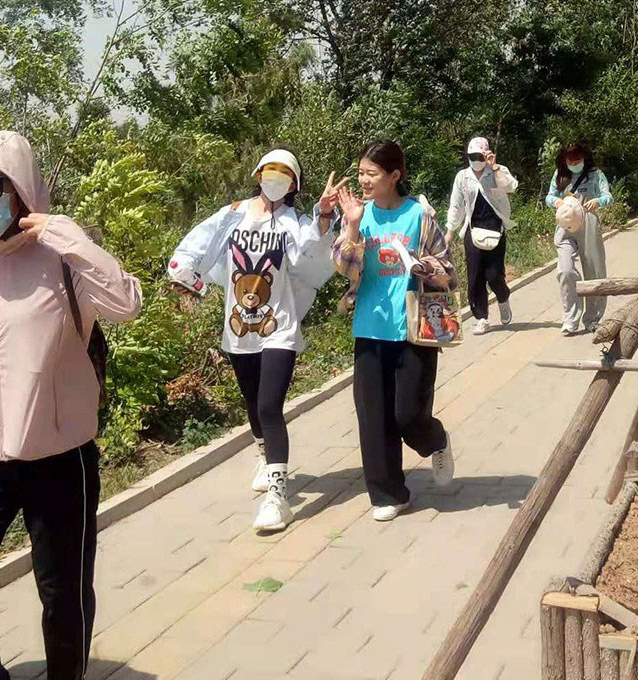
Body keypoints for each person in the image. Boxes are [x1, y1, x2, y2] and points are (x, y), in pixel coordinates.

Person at [0, 131, 142, 680]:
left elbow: (127, 303)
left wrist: (67, 235)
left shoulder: (61, 258)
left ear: (22, 190)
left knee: (62, 592)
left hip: (59, 458)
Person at [168, 148, 345, 533]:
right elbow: (194, 248)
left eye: (286, 174)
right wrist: (187, 274)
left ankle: (278, 497)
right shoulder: (231, 215)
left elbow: (310, 258)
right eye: (270, 170)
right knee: (253, 404)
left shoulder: (294, 223)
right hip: (239, 331)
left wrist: (323, 215)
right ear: (257, 175)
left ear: (294, 185)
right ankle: (265, 454)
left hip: (279, 327)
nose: (276, 178)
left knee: (269, 406)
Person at [333, 140, 456, 522]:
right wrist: (353, 225)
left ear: (394, 176)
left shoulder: (419, 215)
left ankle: (435, 439)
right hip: (370, 330)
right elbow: (343, 266)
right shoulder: (358, 216)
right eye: (360, 173)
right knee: (374, 418)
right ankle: (389, 493)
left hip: (414, 330)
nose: (363, 180)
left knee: (408, 415)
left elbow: (449, 270)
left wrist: (425, 266)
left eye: (371, 173)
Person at [445, 137, 518, 335]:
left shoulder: (497, 171)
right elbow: (456, 204)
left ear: (487, 155)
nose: (476, 160)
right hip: (473, 229)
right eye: (472, 156)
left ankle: (503, 297)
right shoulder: (463, 177)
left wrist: (494, 167)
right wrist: (450, 230)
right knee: (475, 276)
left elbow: (511, 187)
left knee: (494, 275)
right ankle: (481, 317)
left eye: (480, 156)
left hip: (495, 229)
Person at [545, 140, 614, 336]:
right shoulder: (560, 175)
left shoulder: (595, 174)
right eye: (571, 161)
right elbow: (549, 196)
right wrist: (556, 202)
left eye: (578, 160)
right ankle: (570, 318)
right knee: (565, 271)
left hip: (588, 222)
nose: (575, 163)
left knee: (594, 270)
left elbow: (608, 196)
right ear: (564, 160)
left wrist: (599, 200)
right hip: (565, 225)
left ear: (584, 157)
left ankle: (593, 318)